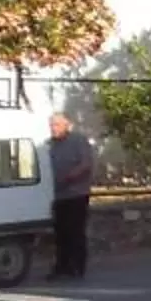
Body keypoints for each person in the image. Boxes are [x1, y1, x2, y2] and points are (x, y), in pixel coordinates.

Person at [46, 112, 95, 281]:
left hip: (76, 194)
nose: (53, 128)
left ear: (67, 125)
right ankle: (61, 267)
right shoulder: (50, 144)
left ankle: (77, 267)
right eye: (52, 125)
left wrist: (70, 177)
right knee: (60, 233)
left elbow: (86, 164)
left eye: (57, 124)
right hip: (58, 195)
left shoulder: (78, 141)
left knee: (75, 231)